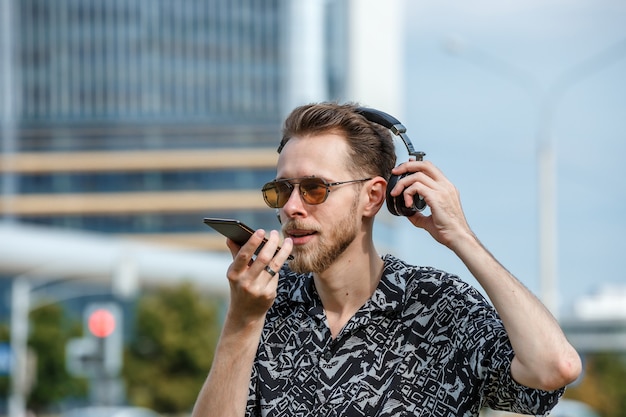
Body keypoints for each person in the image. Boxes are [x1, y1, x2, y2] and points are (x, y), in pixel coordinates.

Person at [191, 102, 581, 417]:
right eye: (281, 190)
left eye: (314, 189)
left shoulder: (439, 305)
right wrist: (241, 322)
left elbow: (555, 368)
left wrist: (461, 237)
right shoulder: (265, 306)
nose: (292, 207)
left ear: (374, 196)